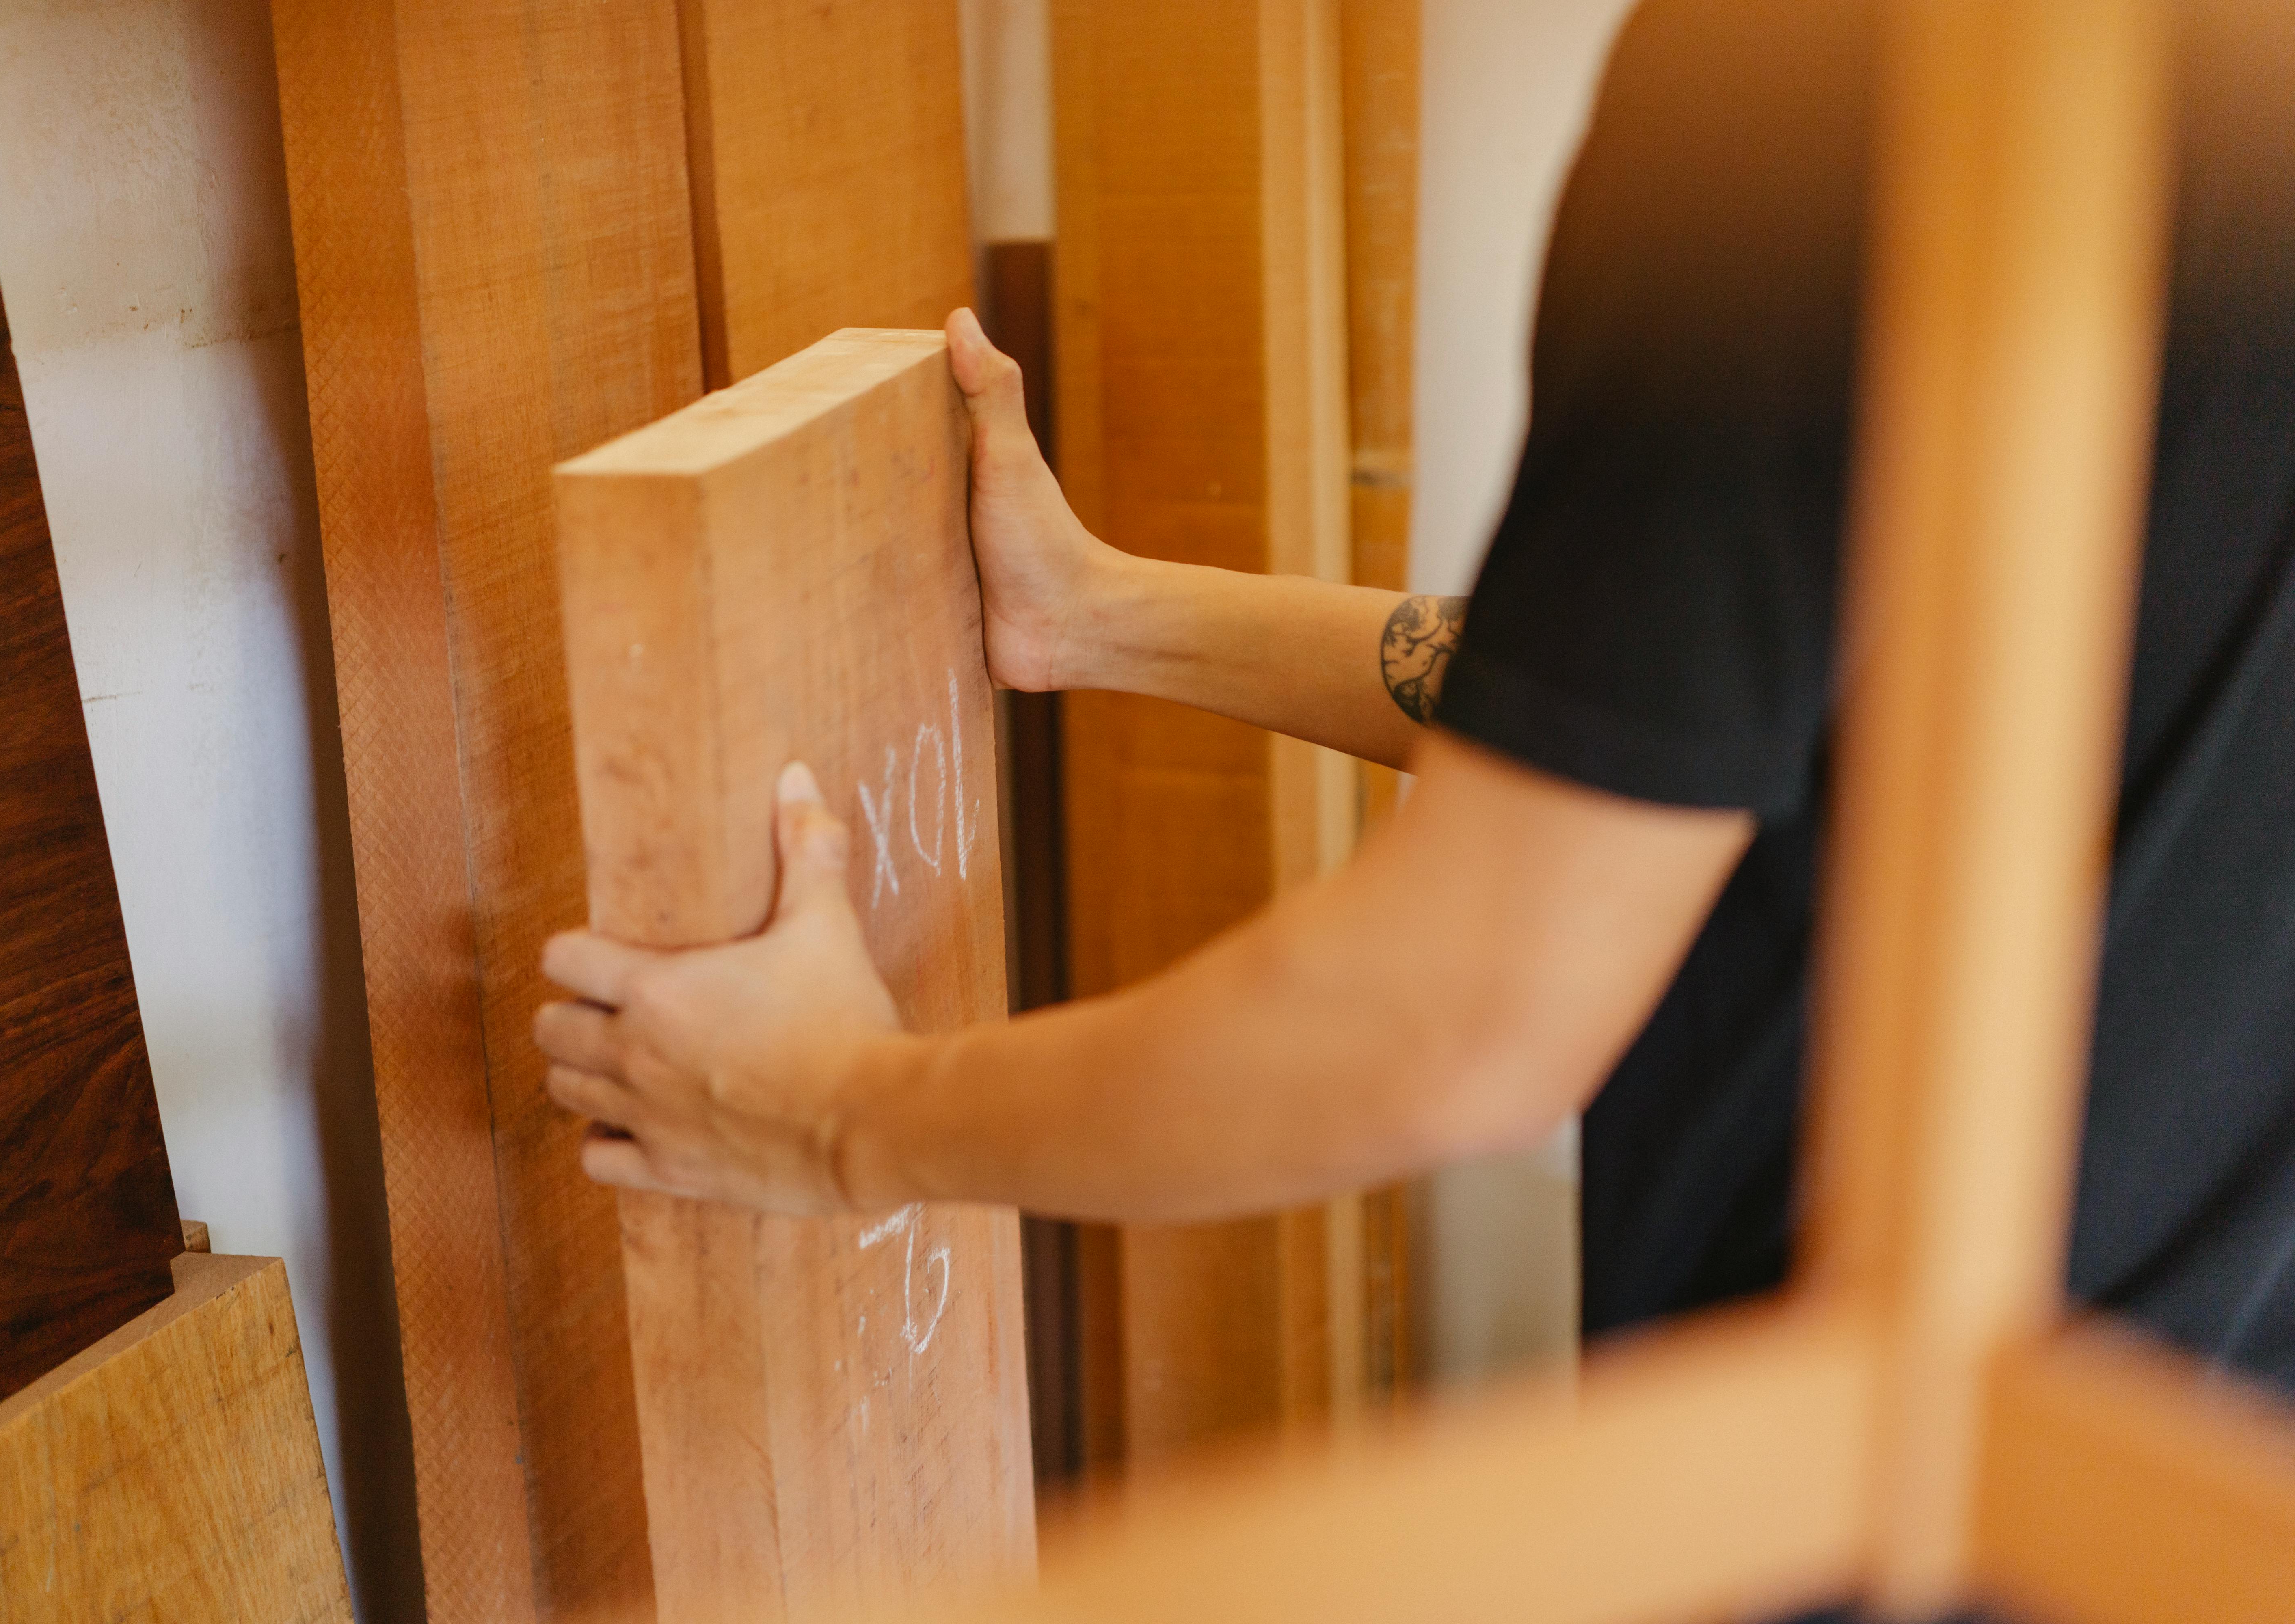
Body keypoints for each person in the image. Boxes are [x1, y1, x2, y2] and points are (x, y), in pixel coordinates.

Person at [534, 0, 2295, 1404]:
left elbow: (1464, 1018)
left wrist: (832, 1112)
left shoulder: (1823, 86)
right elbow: (1718, 720)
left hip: (1872, 1523)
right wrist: (1106, 616)